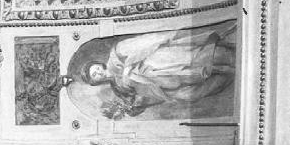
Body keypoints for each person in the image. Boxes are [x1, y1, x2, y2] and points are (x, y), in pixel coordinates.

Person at [80, 23, 236, 119]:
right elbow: (140, 97)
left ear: (99, 64)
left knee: (194, 62)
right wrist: (135, 107)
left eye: (96, 69)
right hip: (160, 88)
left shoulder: (117, 54)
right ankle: (228, 76)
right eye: (95, 76)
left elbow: (144, 43)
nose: (98, 73)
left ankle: (227, 60)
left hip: (158, 63)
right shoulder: (118, 88)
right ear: (96, 82)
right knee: (190, 94)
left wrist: (167, 38)